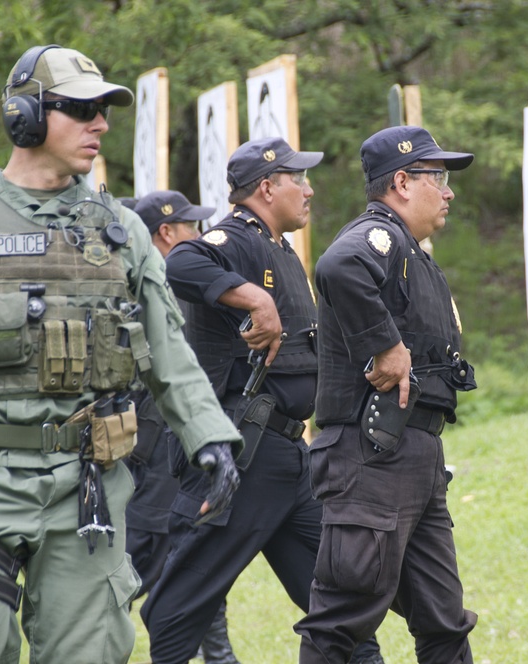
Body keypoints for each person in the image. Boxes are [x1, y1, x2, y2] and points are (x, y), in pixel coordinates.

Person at [0, 44, 242, 663]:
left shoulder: (121, 229)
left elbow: (170, 350)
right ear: (25, 117)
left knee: (87, 653)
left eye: (104, 111)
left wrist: (209, 436)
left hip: (88, 487)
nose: (100, 125)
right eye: (80, 109)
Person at [141, 137, 384, 664]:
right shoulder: (235, 237)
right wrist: (254, 296)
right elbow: (181, 260)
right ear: (268, 187)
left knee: (343, 603)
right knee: (178, 612)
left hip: (288, 461)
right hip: (241, 456)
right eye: (300, 179)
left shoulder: (279, 247)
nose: (310, 189)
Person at [294, 125, 478, 664]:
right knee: (341, 620)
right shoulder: (378, 237)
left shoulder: (411, 250)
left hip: (413, 455)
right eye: (437, 177)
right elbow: (336, 266)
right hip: (371, 457)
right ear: (401, 181)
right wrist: (386, 346)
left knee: (444, 621)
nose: (448, 192)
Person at [127, 190, 242, 664]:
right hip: (146, 451)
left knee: (191, 552)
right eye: (190, 226)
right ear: (167, 232)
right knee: (140, 559)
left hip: (178, 445)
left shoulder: (170, 282)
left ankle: (218, 656)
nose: (199, 234)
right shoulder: (139, 283)